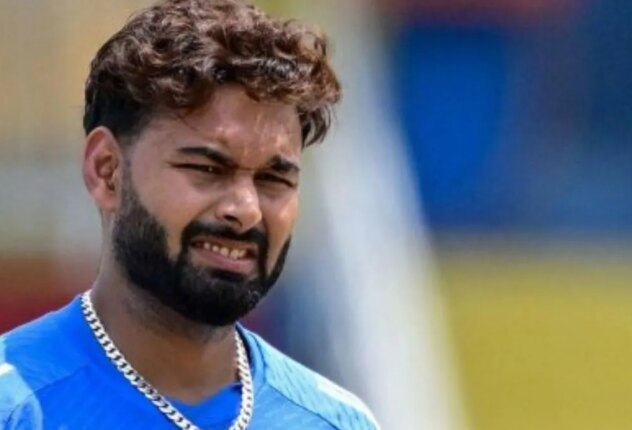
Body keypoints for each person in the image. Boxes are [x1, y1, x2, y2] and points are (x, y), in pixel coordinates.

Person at [0, 0, 379, 428]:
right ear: (107, 171)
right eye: (207, 169)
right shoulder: (14, 406)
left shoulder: (335, 420)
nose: (246, 210)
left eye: (273, 179)